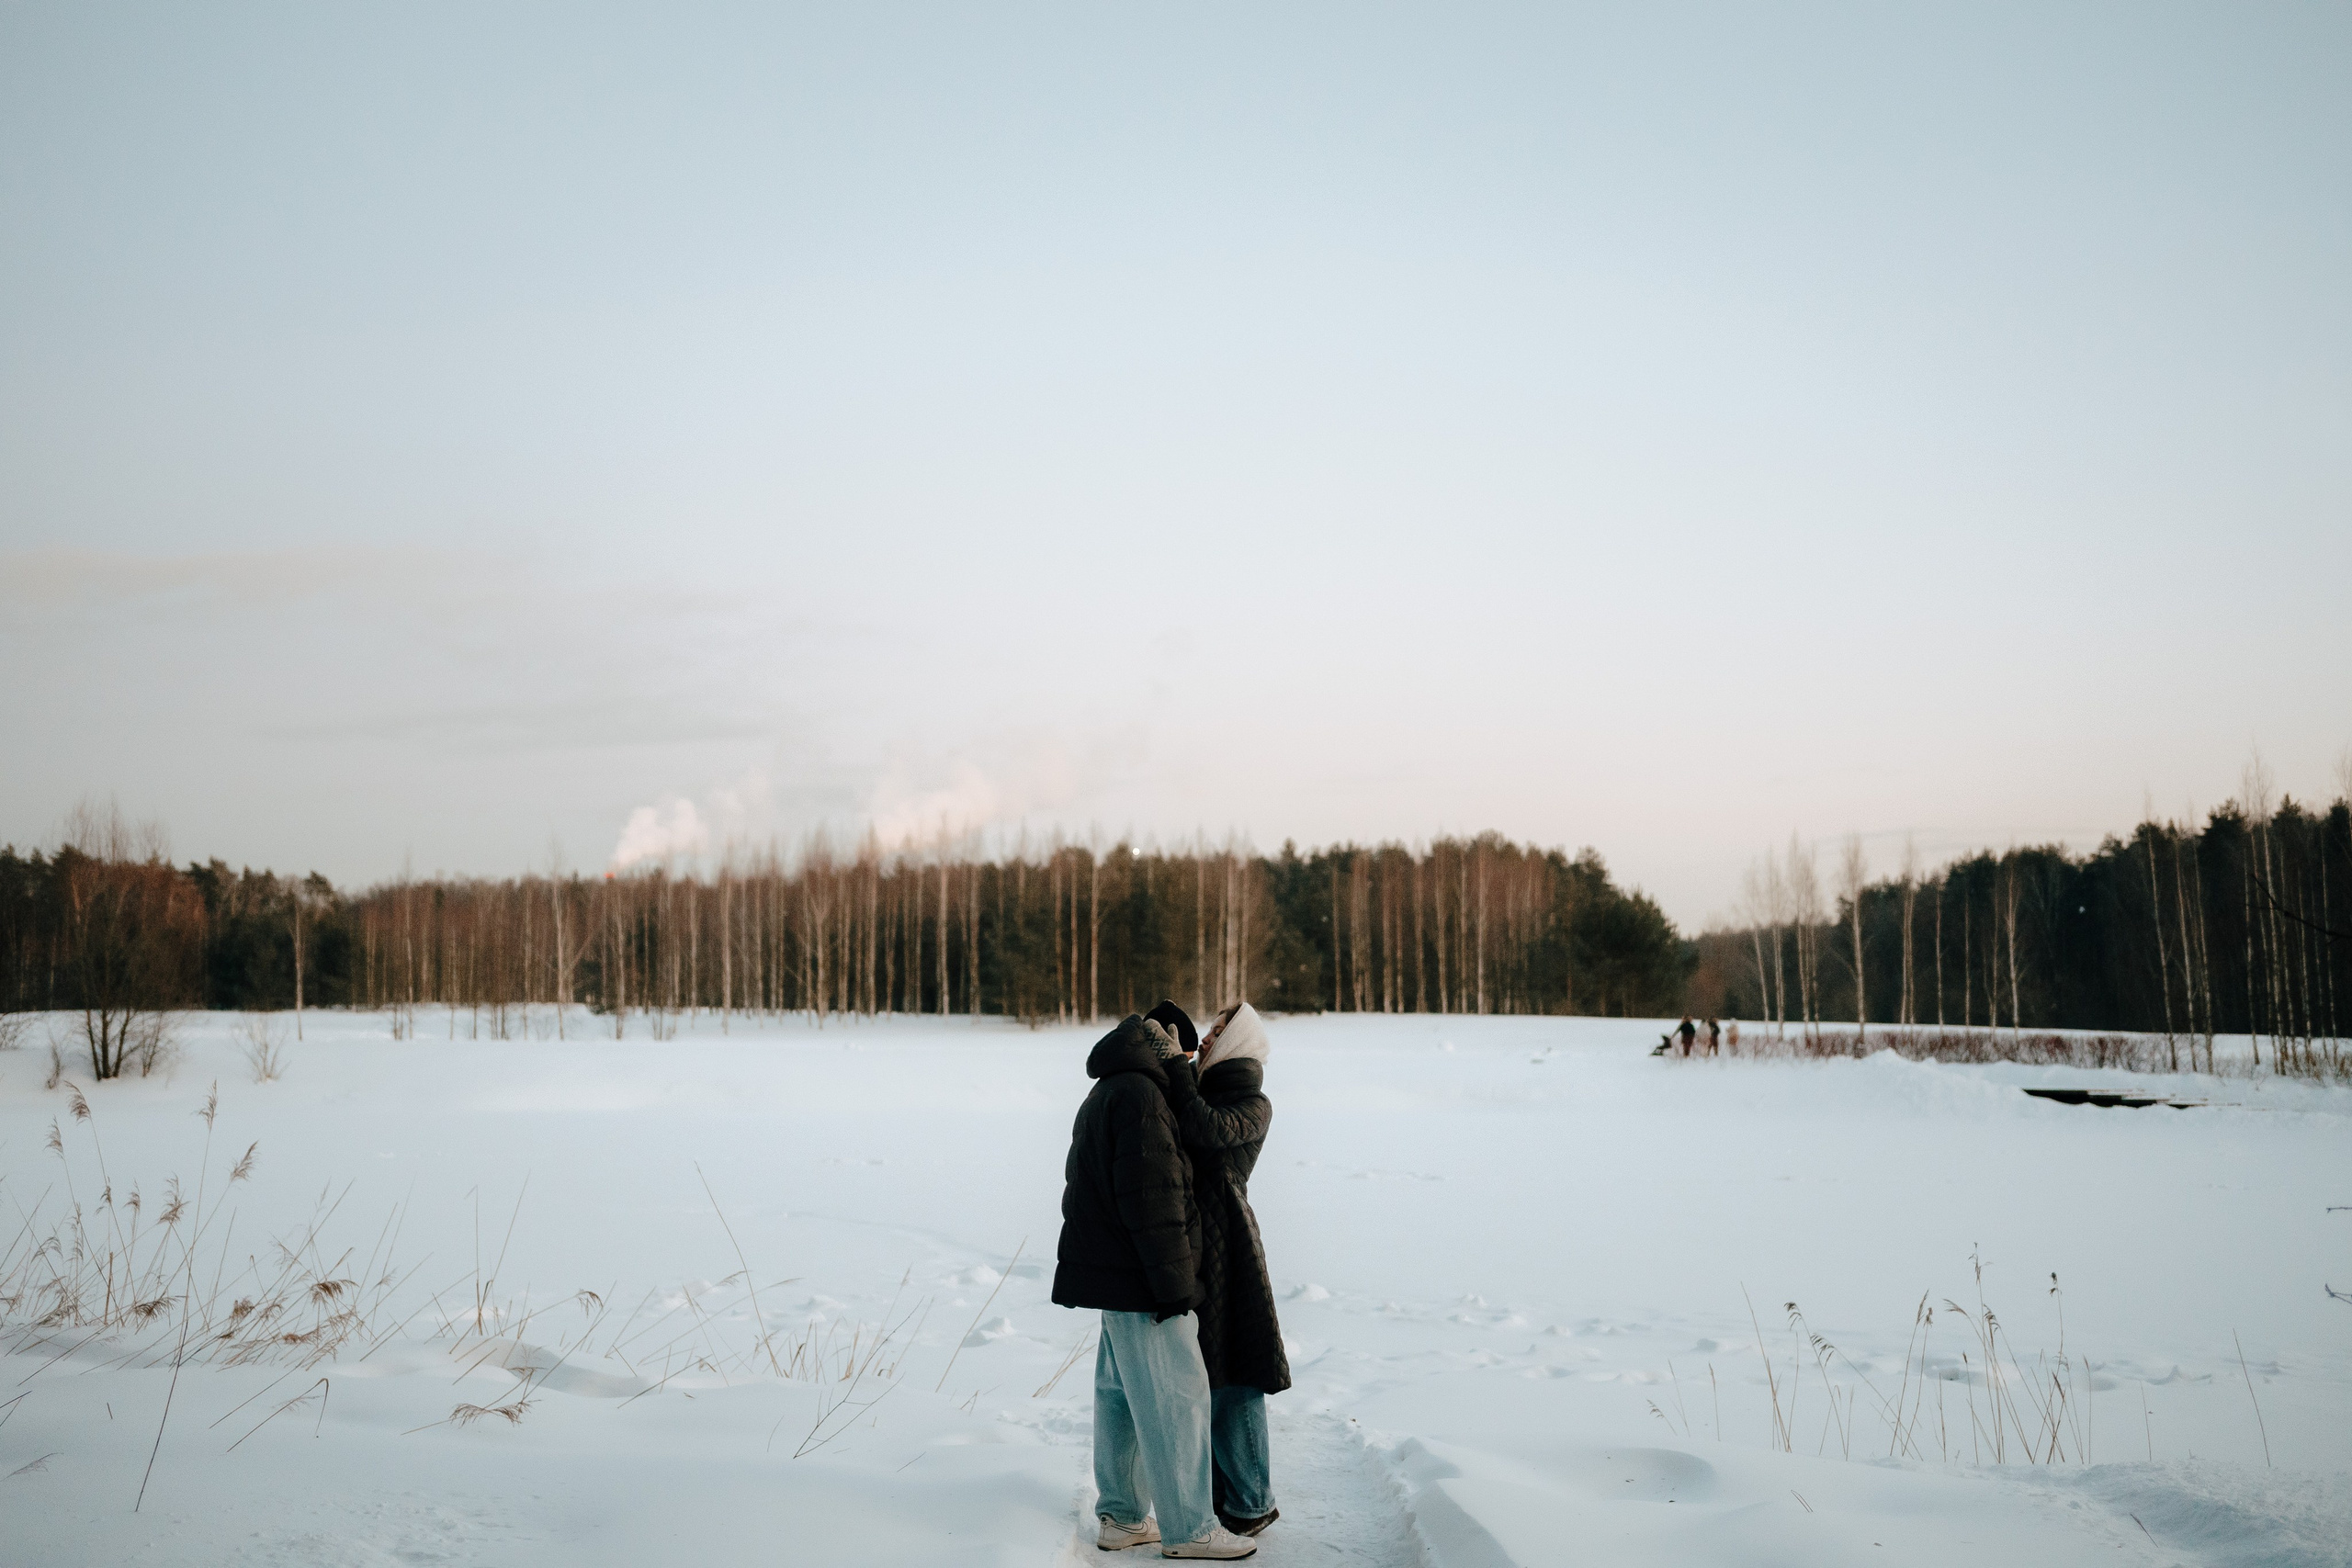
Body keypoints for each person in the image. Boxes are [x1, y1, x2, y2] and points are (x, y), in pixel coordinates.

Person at [1052, 1001, 1259, 1561]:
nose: (1186, 1070)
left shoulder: (1114, 1087)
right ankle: (1191, 1528)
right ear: (1172, 1048)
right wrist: (1176, 1291)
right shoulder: (1143, 1099)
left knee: (1119, 1397)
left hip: (1113, 1275)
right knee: (1179, 1397)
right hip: (1143, 1279)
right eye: (1186, 1058)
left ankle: (1121, 1516)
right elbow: (1155, 1205)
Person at [1162, 1003, 1287, 1539]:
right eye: (1210, 1030)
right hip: (1201, 1245)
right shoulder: (1204, 1089)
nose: (1208, 1038)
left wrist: (1175, 1069)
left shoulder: (1253, 1104)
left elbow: (1205, 1130)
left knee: (1237, 1375)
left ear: (1238, 1043)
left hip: (1231, 1249)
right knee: (1209, 1373)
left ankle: (1253, 1500)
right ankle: (1228, 1496)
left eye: (1218, 1031)